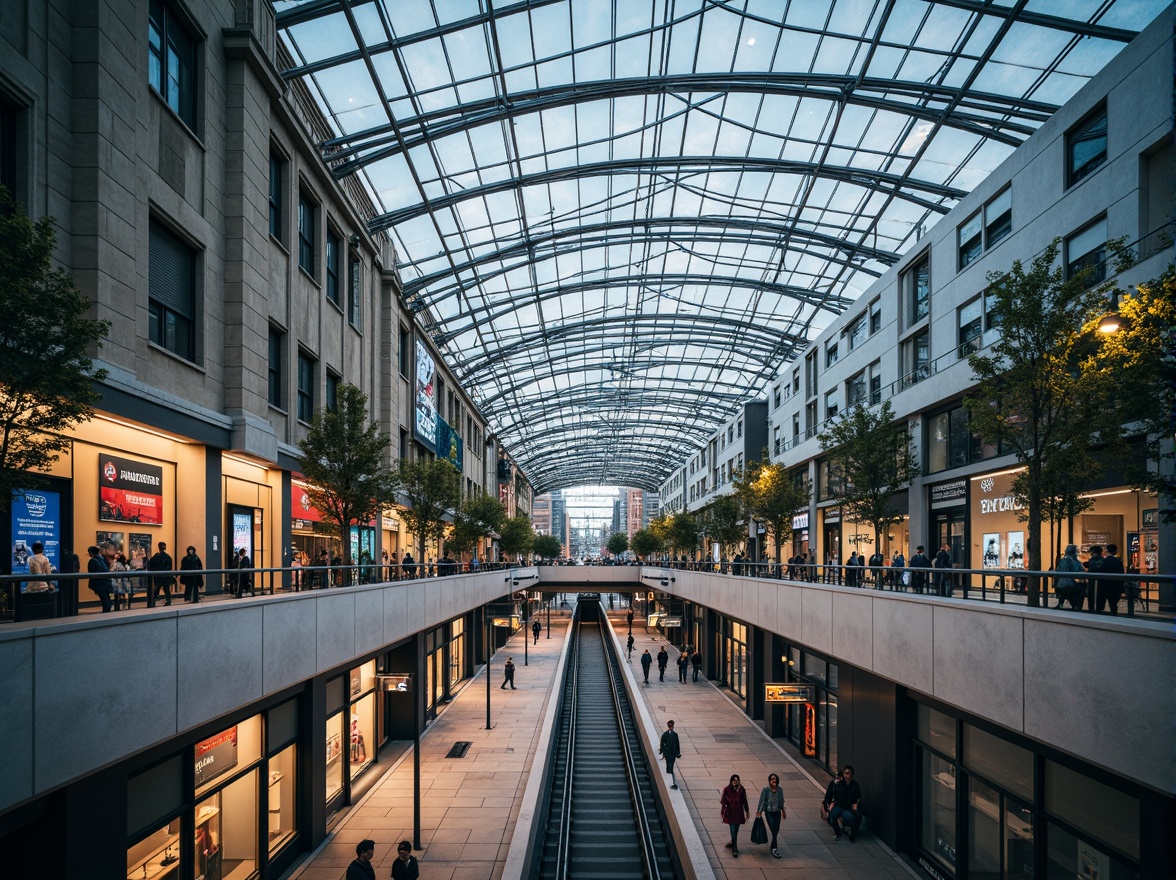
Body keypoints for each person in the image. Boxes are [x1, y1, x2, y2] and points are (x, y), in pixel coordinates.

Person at [823, 765, 862, 841]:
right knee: (833, 816)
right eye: (845, 773)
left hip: (849, 805)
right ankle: (837, 833)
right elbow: (834, 794)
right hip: (839, 805)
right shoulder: (840, 783)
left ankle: (853, 833)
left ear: (852, 774)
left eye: (848, 773)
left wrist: (856, 804)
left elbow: (858, 797)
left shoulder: (855, 785)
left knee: (856, 815)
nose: (846, 775)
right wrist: (832, 802)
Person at [756, 772, 787, 858]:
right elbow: (762, 800)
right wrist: (759, 810)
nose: (774, 780)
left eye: (775, 779)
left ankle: (773, 845)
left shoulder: (780, 789)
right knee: (773, 829)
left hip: (777, 812)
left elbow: (781, 800)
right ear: (769, 781)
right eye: (772, 779)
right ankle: (774, 848)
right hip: (769, 811)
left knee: (776, 829)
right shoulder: (766, 789)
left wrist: (783, 811)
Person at [720, 773, 750, 857]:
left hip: (739, 812)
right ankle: (735, 847)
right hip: (731, 812)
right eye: (734, 780)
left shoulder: (741, 789)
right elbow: (722, 800)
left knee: (736, 829)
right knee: (732, 828)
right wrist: (724, 810)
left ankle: (732, 841)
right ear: (731, 781)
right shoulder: (727, 789)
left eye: (737, 780)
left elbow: (745, 800)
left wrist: (747, 811)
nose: (735, 782)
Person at [1053, 545, 1086, 610]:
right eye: (1077, 551)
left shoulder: (1065, 561)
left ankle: (1062, 604)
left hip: (1067, 583)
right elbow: (1081, 569)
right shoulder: (1073, 561)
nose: (1078, 553)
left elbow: (1060, 570)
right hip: (1072, 583)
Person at [1098, 544, 1126, 614]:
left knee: (1100, 604)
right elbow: (1121, 574)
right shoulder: (1119, 562)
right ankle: (1114, 615)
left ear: (1107, 551)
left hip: (1104, 585)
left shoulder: (1103, 561)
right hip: (1115, 585)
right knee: (1113, 604)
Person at [86, 545, 113, 613]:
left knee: (105, 600)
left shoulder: (92, 561)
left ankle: (105, 614)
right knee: (106, 600)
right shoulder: (103, 559)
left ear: (91, 553)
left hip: (99, 583)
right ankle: (106, 613)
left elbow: (91, 572)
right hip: (106, 582)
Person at [148, 541, 174, 606]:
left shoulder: (156, 557)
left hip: (158, 575)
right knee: (166, 589)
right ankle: (168, 600)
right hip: (165, 575)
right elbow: (170, 567)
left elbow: (151, 565)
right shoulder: (168, 557)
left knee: (157, 588)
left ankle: (153, 601)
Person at [659, 719, 681, 789]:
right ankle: (672, 782)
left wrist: (662, 751)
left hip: (670, 753)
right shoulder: (672, 734)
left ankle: (673, 782)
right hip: (670, 753)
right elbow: (677, 745)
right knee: (669, 767)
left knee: (670, 767)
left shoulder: (666, 734)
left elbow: (676, 745)